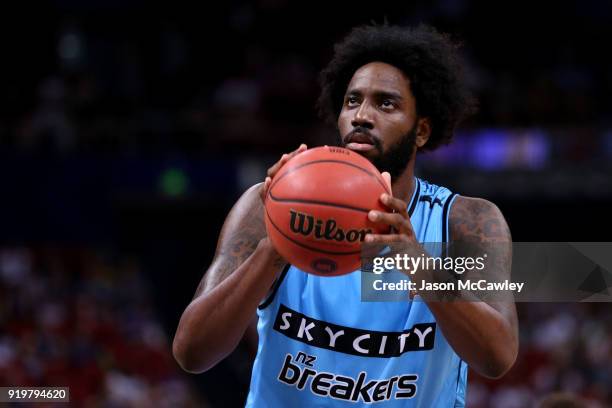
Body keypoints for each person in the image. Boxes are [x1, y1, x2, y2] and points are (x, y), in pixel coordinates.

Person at [173, 24, 518, 407]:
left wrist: (417, 263)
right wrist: (275, 246)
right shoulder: (264, 204)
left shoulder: (464, 221)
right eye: (352, 101)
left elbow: (497, 356)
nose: (362, 116)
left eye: (386, 104)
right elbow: (192, 353)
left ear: (421, 131)